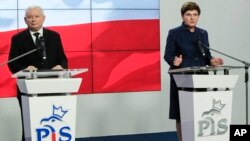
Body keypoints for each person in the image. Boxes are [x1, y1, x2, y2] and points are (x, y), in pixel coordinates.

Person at [164, 2, 223, 141]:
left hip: (201, 78)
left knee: (201, 113)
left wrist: (211, 61)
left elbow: (206, 55)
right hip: (182, 79)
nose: (192, 18)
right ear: (182, 16)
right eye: (188, 14)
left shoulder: (203, 33)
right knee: (182, 114)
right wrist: (174, 61)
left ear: (198, 16)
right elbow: (168, 55)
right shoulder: (174, 33)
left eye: (195, 15)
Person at [7, 6, 68, 141]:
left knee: (52, 124)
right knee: (30, 125)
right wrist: (25, 69)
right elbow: (12, 63)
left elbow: (63, 59)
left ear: (43, 18)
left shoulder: (54, 36)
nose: (33, 20)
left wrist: (61, 66)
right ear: (25, 20)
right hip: (28, 89)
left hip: (52, 87)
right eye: (30, 17)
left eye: (36, 16)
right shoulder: (18, 39)